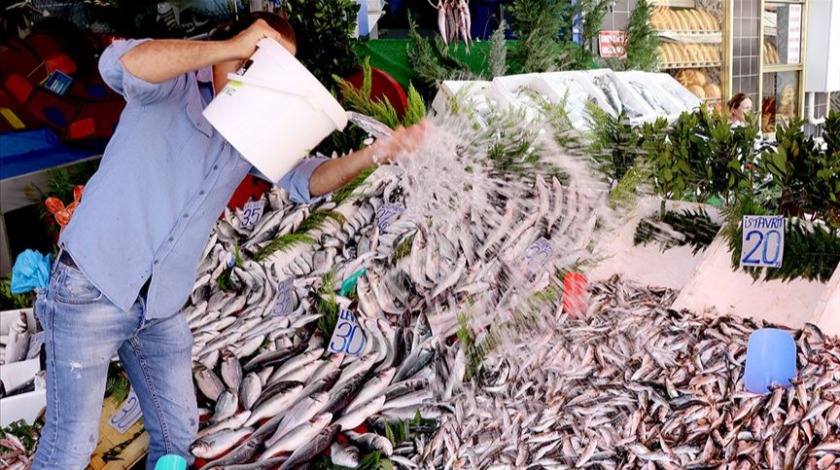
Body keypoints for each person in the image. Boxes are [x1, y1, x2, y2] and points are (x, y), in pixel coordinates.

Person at [31, 12, 426, 470]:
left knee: (179, 436)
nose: (255, 76)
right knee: (71, 447)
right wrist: (229, 50)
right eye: (253, 61)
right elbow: (123, 64)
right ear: (231, 42)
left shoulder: (254, 128)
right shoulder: (173, 83)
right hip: (92, 287)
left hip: (160, 305)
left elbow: (306, 180)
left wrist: (377, 152)